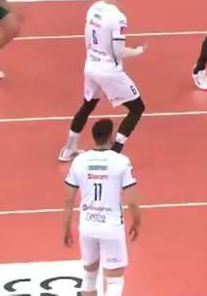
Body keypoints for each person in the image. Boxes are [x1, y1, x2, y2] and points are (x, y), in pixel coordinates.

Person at [60, 0, 147, 162]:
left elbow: (88, 36)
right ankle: (114, 152)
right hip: (108, 71)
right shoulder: (118, 18)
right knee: (137, 108)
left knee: (88, 106)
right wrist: (138, 51)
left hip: (91, 65)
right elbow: (118, 52)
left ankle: (68, 149)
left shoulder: (93, 8)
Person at [63, 118, 141, 296]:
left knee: (89, 276)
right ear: (111, 137)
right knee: (115, 281)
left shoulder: (79, 161)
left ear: (94, 137)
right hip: (111, 227)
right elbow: (132, 200)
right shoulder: (121, 161)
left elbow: (68, 200)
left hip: (87, 226)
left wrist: (66, 228)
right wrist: (137, 222)